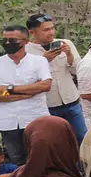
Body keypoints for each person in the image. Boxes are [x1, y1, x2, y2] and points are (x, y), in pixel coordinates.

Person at [0, 24, 52, 164]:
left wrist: (8, 89)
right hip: (8, 122)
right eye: (4, 40)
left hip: (35, 118)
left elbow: (45, 85)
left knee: (40, 157)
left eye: (12, 41)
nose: (7, 44)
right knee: (17, 161)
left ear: (25, 41)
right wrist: (25, 92)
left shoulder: (39, 61)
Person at [24, 13, 87, 142]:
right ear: (32, 32)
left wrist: (69, 55)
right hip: (47, 106)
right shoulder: (26, 52)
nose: (51, 32)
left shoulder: (66, 43)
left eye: (52, 28)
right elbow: (25, 80)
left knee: (82, 138)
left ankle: (82, 163)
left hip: (71, 102)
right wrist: (43, 61)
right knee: (56, 142)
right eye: (46, 30)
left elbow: (78, 71)